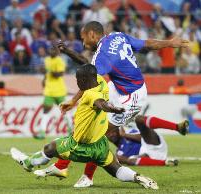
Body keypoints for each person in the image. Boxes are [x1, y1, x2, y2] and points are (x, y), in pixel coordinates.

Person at [36, 21, 189, 187]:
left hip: (132, 96)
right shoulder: (118, 36)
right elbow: (146, 44)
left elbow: (89, 79)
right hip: (117, 87)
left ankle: (84, 175)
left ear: (92, 34)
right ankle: (63, 167)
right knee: (89, 123)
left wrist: (73, 101)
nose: (83, 43)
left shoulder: (102, 56)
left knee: (99, 133)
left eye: (84, 38)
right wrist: (170, 42)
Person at [11, 64, 158, 190]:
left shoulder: (90, 95)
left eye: (77, 80)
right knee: (116, 169)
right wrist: (74, 101)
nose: (76, 83)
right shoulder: (101, 83)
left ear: (83, 80)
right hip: (100, 144)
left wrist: (111, 109)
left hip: (80, 146)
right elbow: (99, 97)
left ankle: (28, 163)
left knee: (50, 147)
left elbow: (100, 103)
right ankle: (138, 178)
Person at [34, 47, 71, 139]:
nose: (52, 51)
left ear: (57, 52)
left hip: (59, 90)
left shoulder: (59, 61)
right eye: (51, 49)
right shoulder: (47, 60)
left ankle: (71, 131)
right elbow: (46, 74)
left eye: (54, 50)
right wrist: (44, 78)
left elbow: (60, 74)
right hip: (49, 90)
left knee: (64, 110)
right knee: (46, 110)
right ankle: (42, 132)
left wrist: (49, 70)